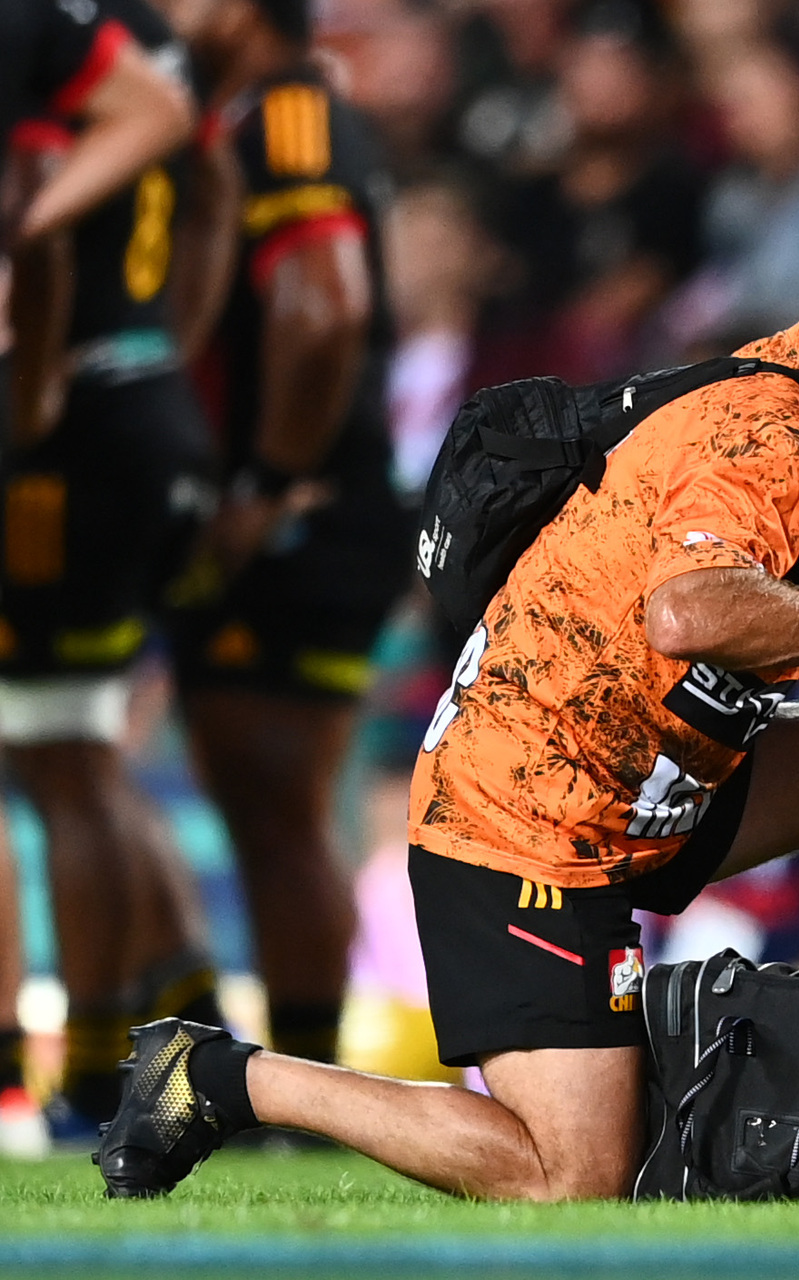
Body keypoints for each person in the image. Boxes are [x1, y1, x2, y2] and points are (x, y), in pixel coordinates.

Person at [95, 238, 799, 1201]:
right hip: (523, 821)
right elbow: (690, 612)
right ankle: (221, 1075)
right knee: (573, 1177)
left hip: (662, 788)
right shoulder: (760, 429)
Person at [158, 0, 414, 1073]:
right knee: (256, 794)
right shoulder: (250, 119)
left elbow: (324, 308)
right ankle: (267, 1058)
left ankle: (307, 1077)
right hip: (282, 507)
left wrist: (265, 478)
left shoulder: (289, 122)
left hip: (303, 512)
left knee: (279, 797)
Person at [2, 0, 227, 1143]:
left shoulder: (37, 41)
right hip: (146, 399)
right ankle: (196, 1018)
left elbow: (29, 235)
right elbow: (212, 192)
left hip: (78, 425)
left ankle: (90, 1080)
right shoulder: (140, 40)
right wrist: (170, 356)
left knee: (57, 758)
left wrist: (34, 396)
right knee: (81, 755)